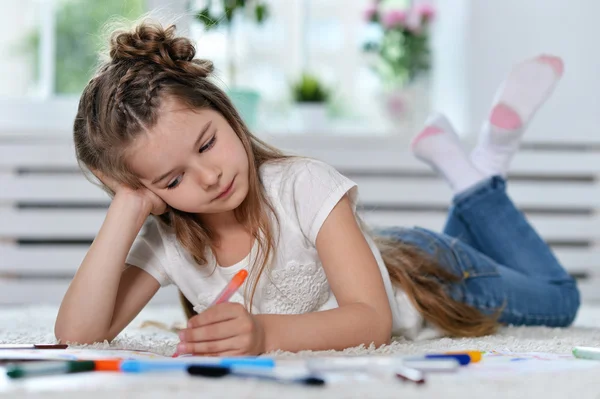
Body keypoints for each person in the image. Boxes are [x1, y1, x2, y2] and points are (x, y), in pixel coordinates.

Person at [55, 19, 579, 356]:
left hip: (430, 278)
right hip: (379, 251)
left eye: (207, 143)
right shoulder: (169, 239)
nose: (207, 176)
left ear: (222, 110)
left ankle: (477, 177)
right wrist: (128, 206)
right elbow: (78, 335)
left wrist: (263, 334)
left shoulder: (303, 184)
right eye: (172, 179)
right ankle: (475, 170)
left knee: (560, 299)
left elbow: (372, 321)